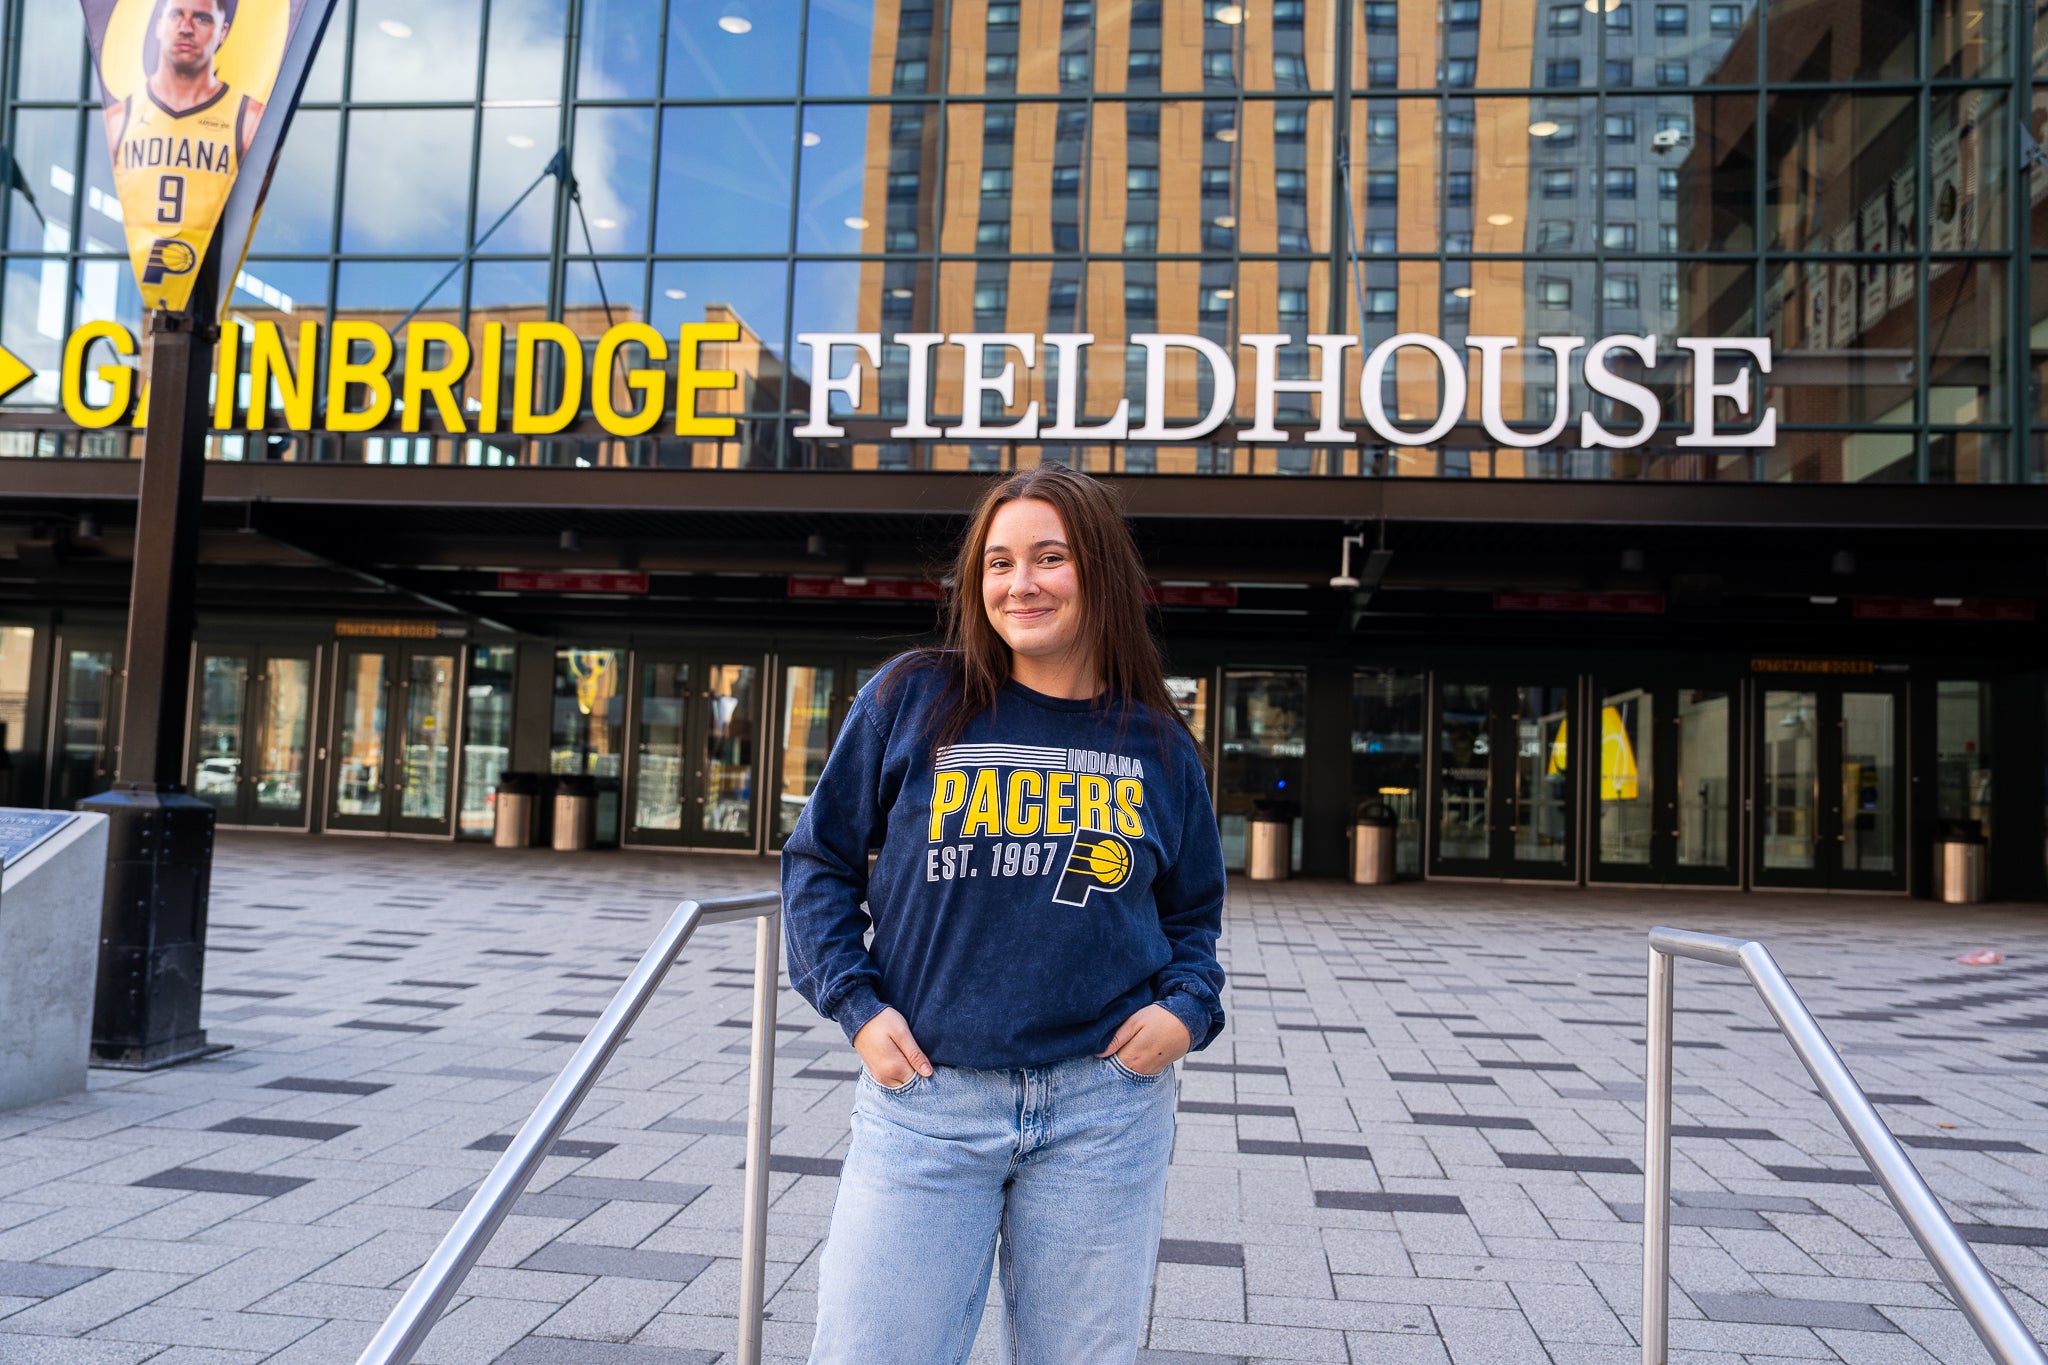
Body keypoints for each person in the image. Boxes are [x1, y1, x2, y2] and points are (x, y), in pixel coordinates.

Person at [783, 464, 1227, 1365]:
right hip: (928, 1099)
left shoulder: (1157, 741)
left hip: (1105, 1108)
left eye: (1050, 557)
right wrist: (858, 1010)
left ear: (1098, 571)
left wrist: (1186, 1010)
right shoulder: (914, 697)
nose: (1020, 583)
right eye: (998, 562)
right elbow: (818, 863)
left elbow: (1195, 920)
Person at [105, 0, 266, 239]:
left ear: (223, 31)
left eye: (202, 19)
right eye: (176, 16)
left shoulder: (250, 119)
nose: (186, 28)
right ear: (159, 26)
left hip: (210, 265)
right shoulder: (118, 119)